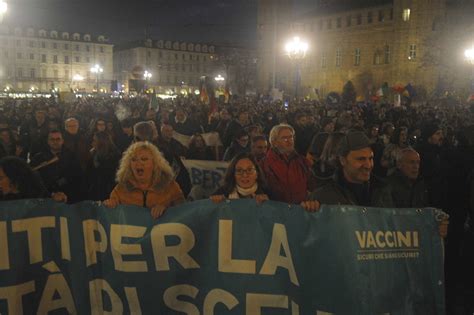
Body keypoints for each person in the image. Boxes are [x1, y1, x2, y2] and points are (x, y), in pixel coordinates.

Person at [309, 131, 394, 207]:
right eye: (361, 159)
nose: (368, 165)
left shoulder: (382, 189)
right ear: (343, 160)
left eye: (370, 158)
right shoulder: (323, 196)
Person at [103, 141, 185, 219]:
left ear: (155, 163)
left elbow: (184, 212)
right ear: (129, 165)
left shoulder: (170, 186)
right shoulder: (121, 188)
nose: (138, 163)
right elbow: (112, 216)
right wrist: (110, 204)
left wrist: (167, 211)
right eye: (133, 159)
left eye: (144, 159)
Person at [210, 153, 319, 211]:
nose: (245, 175)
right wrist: (212, 204)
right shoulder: (222, 193)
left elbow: (284, 215)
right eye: (239, 171)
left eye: (249, 170)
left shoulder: (271, 194)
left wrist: (307, 208)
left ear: (256, 173)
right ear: (232, 174)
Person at [260, 124, 314, 204]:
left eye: (291, 137)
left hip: (300, 209)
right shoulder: (264, 163)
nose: (289, 141)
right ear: (274, 142)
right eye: (284, 138)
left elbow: (312, 184)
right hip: (277, 210)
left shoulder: (302, 161)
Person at [29, 129, 84, 203]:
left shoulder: (71, 156)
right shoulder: (38, 158)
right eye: (52, 139)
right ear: (48, 141)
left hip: (68, 198)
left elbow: (78, 177)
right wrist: (51, 194)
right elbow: (34, 180)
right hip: (46, 198)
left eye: (58, 139)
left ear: (62, 141)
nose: (55, 142)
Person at [0, 156, 66, 202]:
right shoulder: (3, 199)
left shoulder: (40, 197)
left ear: (14, 177)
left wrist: (58, 200)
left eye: (0, 178)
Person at [86, 131, 121, 201]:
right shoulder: (94, 153)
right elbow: (89, 171)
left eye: (94, 140)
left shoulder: (114, 155)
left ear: (101, 142)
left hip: (109, 189)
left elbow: (107, 173)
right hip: (96, 187)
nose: (92, 142)